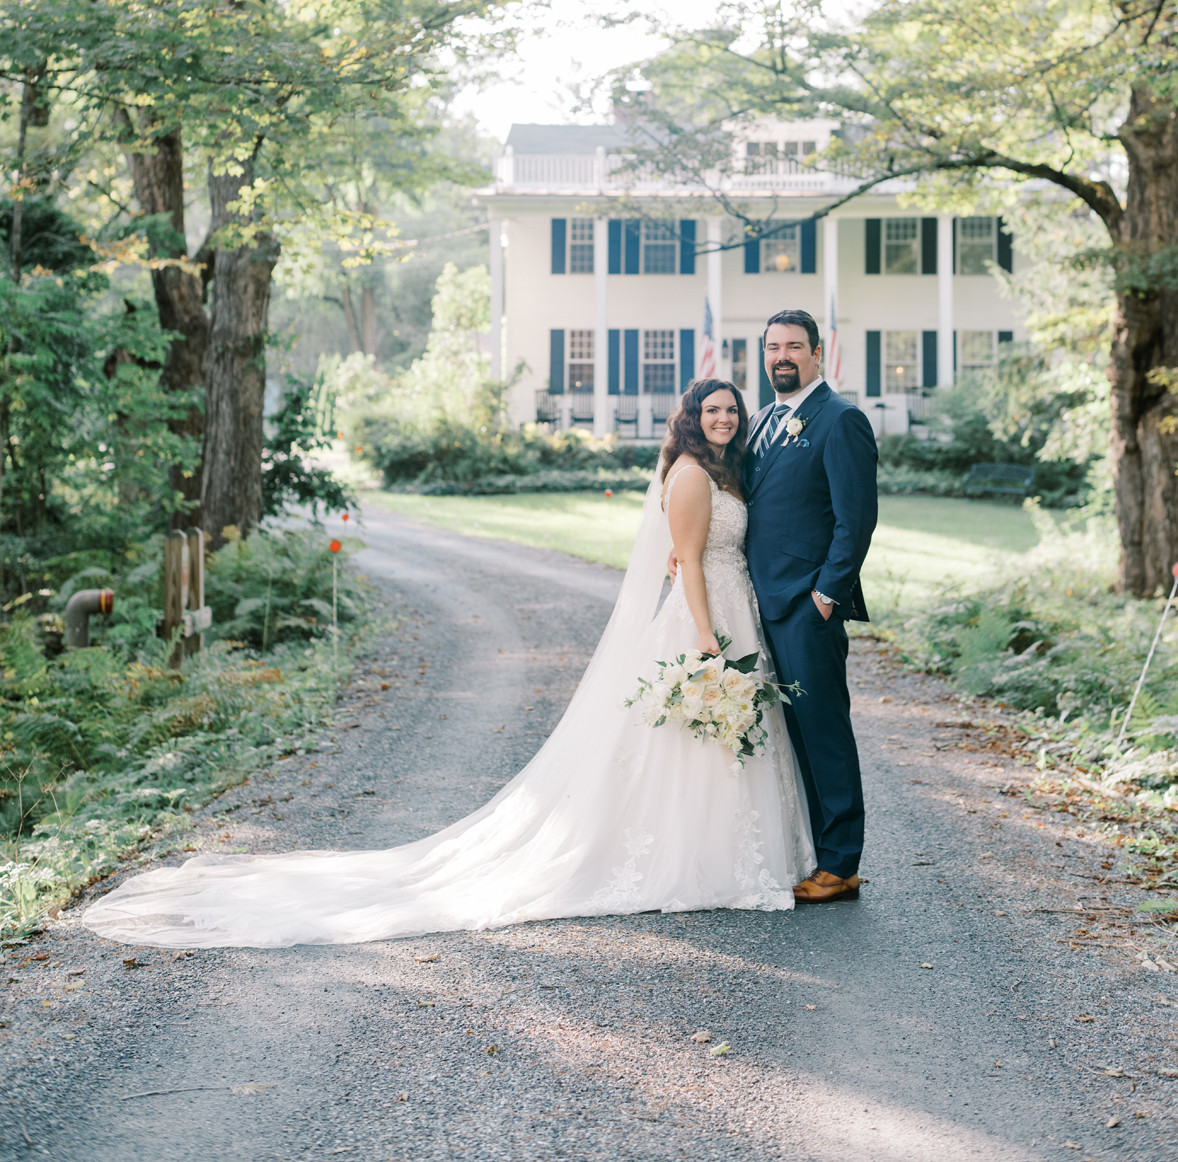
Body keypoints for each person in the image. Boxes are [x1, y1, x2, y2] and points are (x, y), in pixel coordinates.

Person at [82, 379, 813, 948]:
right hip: (705, 617)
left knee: (711, 739)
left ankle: (733, 853)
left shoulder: (724, 471)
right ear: (691, 418)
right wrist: (710, 642)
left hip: (734, 605)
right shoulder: (690, 476)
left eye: (730, 411)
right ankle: (697, 856)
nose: (722, 418)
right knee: (692, 738)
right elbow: (685, 564)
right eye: (712, 410)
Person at [744, 310, 878, 906]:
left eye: (794, 347)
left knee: (823, 729)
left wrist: (827, 593)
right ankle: (811, 850)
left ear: (817, 354)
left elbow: (856, 518)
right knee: (787, 732)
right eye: (773, 347)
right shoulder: (761, 422)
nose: (782, 357)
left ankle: (841, 863)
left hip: (806, 605)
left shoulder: (840, 420)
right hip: (756, 601)